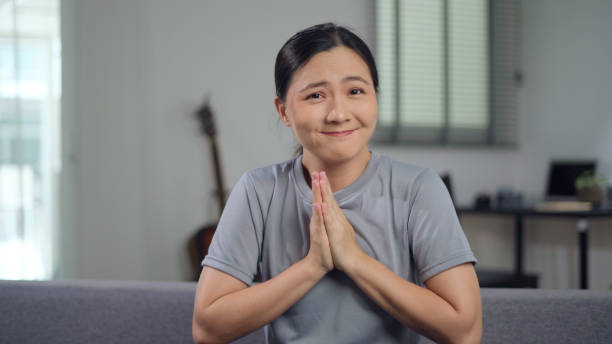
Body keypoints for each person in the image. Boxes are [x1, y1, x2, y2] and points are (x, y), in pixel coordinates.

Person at [193, 23, 482, 344]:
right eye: (316, 95)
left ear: (375, 97)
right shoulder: (259, 191)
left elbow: (465, 332)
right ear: (283, 111)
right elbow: (208, 329)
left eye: (355, 91)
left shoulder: (419, 188)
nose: (338, 113)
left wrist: (354, 259)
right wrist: (312, 266)